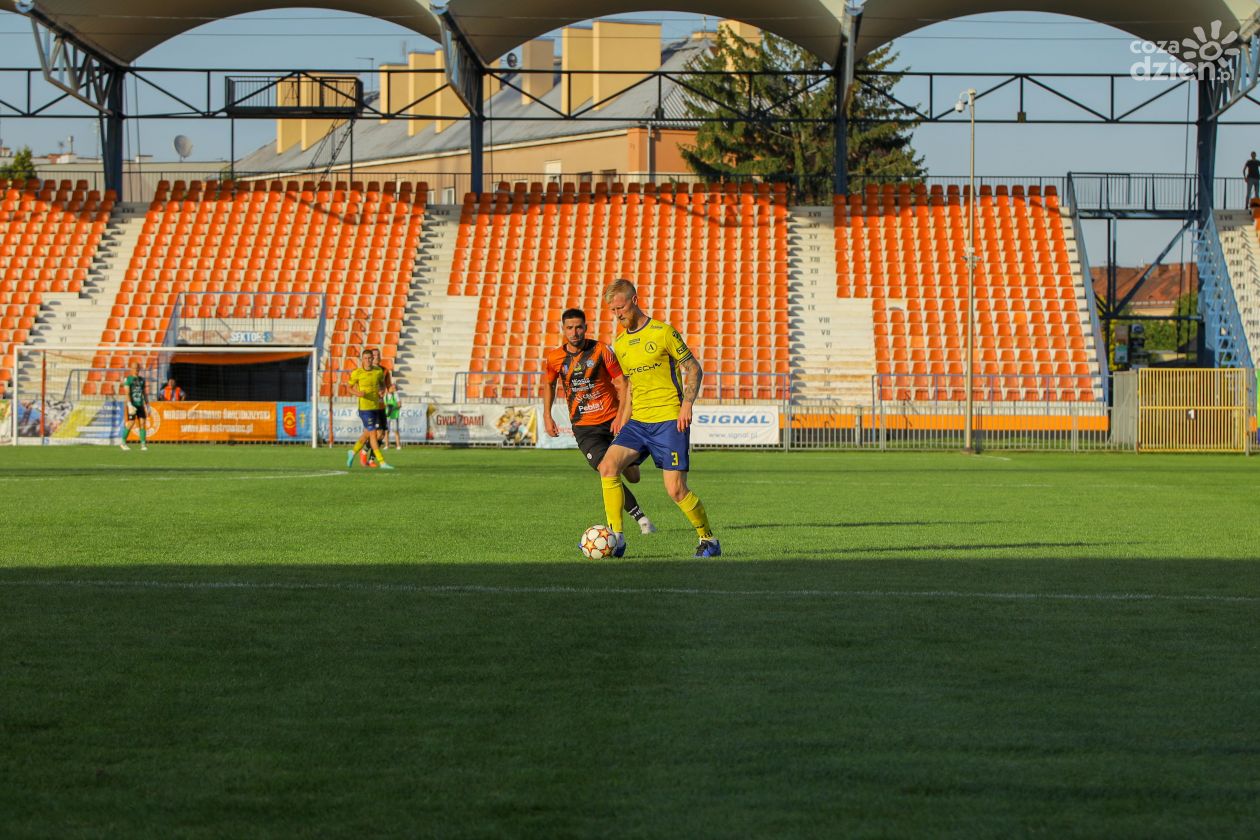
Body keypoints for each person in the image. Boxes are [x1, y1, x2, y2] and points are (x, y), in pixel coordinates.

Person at [596, 279, 719, 558]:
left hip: (669, 421)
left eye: (620, 307)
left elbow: (693, 369)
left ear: (634, 300)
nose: (617, 314)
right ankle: (617, 538)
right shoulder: (620, 343)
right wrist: (623, 418)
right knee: (608, 466)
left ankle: (708, 540)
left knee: (675, 490)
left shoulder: (663, 332)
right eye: (612, 310)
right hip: (638, 422)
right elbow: (629, 385)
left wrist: (687, 404)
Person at [541, 308, 656, 536]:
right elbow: (549, 384)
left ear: (585, 327)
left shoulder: (601, 350)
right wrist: (547, 415)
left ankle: (630, 466)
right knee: (606, 470)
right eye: (569, 328)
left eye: (579, 327)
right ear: (563, 329)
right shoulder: (554, 358)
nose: (574, 332)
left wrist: (621, 417)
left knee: (633, 477)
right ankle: (640, 520)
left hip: (613, 420)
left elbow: (622, 383)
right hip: (585, 428)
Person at [345, 348, 393, 470]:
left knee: (368, 433)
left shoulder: (378, 371)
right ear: (362, 360)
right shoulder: (357, 373)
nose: (367, 360)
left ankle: (353, 452)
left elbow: (382, 383)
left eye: (369, 358)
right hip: (365, 409)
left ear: (373, 359)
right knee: (373, 434)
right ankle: (381, 462)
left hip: (375, 407)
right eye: (365, 358)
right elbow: (348, 388)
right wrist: (358, 393)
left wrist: (382, 390)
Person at [120, 362, 149, 451]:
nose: (136, 369)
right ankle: (123, 442)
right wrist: (129, 405)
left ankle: (143, 444)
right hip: (132, 404)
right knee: (131, 423)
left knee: (143, 423)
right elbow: (127, 393)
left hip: (140, 404)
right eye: (134, 368)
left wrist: (148, 405)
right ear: (131, 369)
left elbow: (144, 393)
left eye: (137, 368)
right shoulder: (128, 379)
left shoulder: (142, 380)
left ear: (139, 369)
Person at [383, 383, 403, 450]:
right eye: (392, 388)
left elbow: (399, 405)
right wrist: (387, 406)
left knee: (396, 431)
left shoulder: (396, 395)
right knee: (386, 431)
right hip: (387, 416)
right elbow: (384, 405)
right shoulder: (385, 396)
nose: (394, 389)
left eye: (394, 388)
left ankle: (398, 445)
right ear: (389, 388)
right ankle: (386, 445)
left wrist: (393, 408)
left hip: (394, 416)